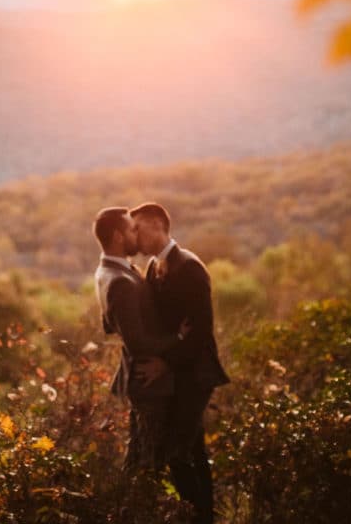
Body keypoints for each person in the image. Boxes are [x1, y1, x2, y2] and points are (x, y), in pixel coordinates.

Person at [131, 202, 229, 524]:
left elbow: (201, 331)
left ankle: (199, 516)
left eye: (139, 228)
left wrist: (165, 364)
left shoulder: (190, 267)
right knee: (191, 452)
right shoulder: (151, 268)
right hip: (179, 375)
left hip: (196, 375)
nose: (135, 236)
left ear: (158, 224)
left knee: (179, 452)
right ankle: (203, 516)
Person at [92, 206, 188, 473]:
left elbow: (109, 325)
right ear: (118, 237)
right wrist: (178, 337)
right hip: (149, 384)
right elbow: (138, 344)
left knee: (139, 458)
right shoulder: (120, 280)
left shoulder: (108, 271)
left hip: (139, 379)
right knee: (149, 464)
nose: (137, 233)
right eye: (132, 229)